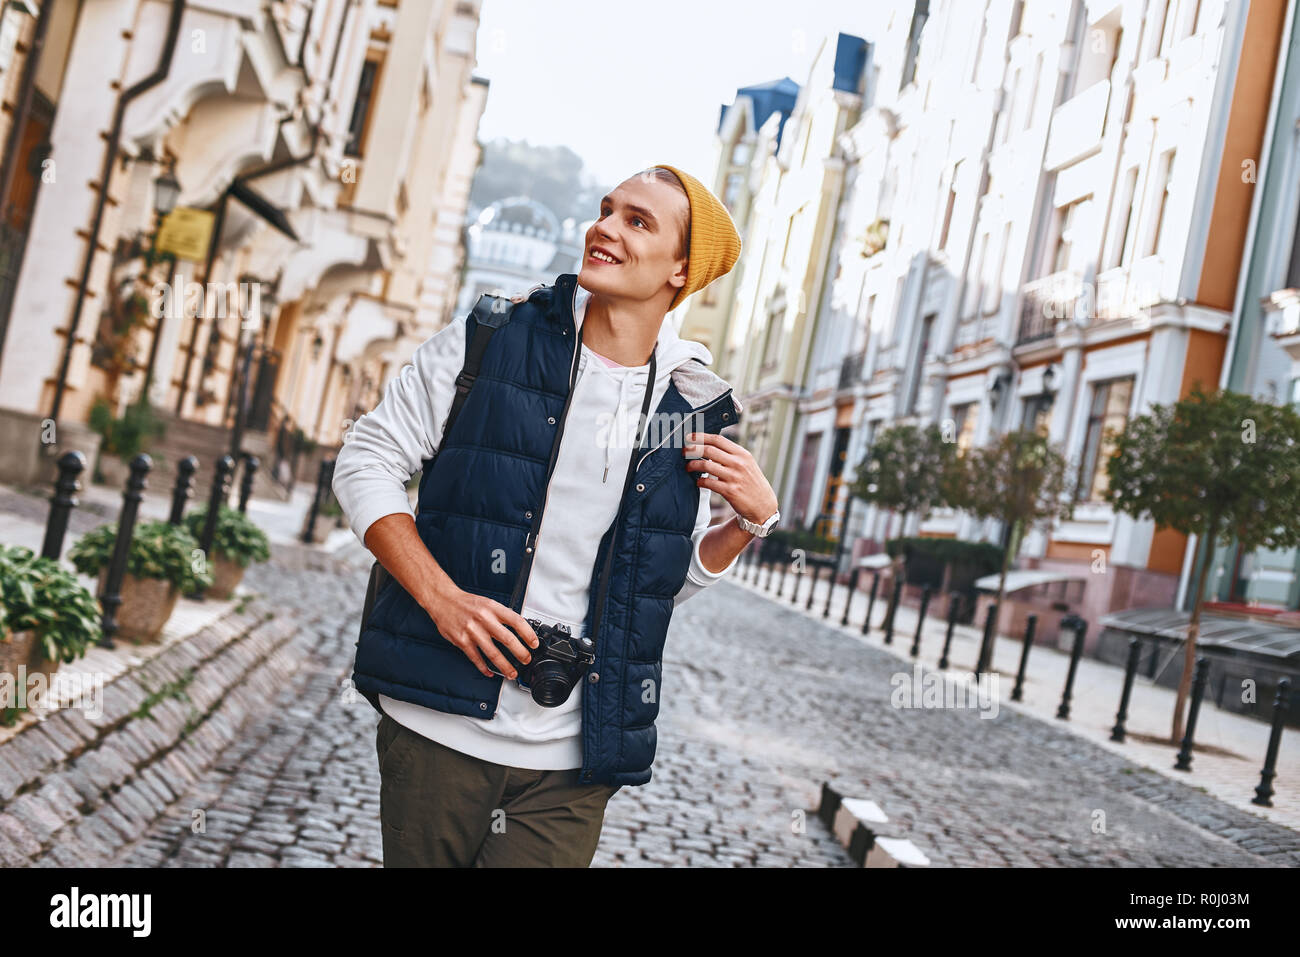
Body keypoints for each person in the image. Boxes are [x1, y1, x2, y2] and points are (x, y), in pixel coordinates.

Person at [333, 164, 781, 867]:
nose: (604, 228)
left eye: (638, 221)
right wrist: (441, 598)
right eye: (606, 210)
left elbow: (649, 581)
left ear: (681, 269)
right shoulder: (491, 337)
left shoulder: (688, 406)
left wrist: (745, 525)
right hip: (440, 728)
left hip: (572, 762)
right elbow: (366, 459)